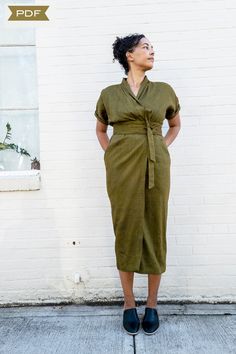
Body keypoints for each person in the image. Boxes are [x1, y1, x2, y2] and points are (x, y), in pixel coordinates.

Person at [94, 33, 181, 335]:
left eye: (152, 47)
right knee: (126, 228)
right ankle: (129, 303)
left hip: (157, 164)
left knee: (155, 227)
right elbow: (101, 130)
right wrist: (113, 156)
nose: (152, 51)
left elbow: (175, 124)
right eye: (146, 47)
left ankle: (152, 304)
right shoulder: (109, 94)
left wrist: (162, 146)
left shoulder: (164, 91)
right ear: (129, 55)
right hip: (122, 169)